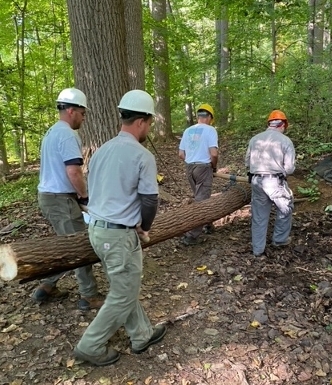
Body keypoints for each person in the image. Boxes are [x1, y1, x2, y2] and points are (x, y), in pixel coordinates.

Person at [74, 90, 166, 366]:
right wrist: (144, 227)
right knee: (123, 293)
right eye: (149, 123)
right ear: (141, 121)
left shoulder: (102, 151)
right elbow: (150, 200)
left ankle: (141, 334)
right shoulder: (142, 155)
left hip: (97, 230)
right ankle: (90, 345)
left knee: (122, 287)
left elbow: (97, 192)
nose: (148, 129)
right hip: (118, 235)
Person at [32, 88, 103, 311]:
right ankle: (89, 296)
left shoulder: (52, 132)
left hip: (52, 197)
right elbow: (73, 171)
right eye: (83, 113)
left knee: (65, 246)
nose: (84, 117)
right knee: (79, 247)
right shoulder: (67, 134)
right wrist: (85, 196)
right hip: (60, 200)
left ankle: (47, 285)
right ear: (71, 110)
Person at [245, 110, 296, 257]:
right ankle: (279, 240)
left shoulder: (255, 139)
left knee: (259, 216)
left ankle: (257, 249)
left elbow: (247, 162)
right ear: (283, 124)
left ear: (269, 123)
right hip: (275, 181)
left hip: (256, 180)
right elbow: (290, 168)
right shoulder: (285, 141)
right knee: (285, 208)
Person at [178, 103, 219, 245]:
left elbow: (181, 154)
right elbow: (213, 153)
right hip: (203, 168)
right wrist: (213, 166)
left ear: (197, 116)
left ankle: (208, 224)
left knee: (200, 197)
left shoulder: (188, 130)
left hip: (190, 168)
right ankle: (192, 235)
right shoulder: (210, 130)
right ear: (209, 117)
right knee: (201, 202)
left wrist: (191, 161)